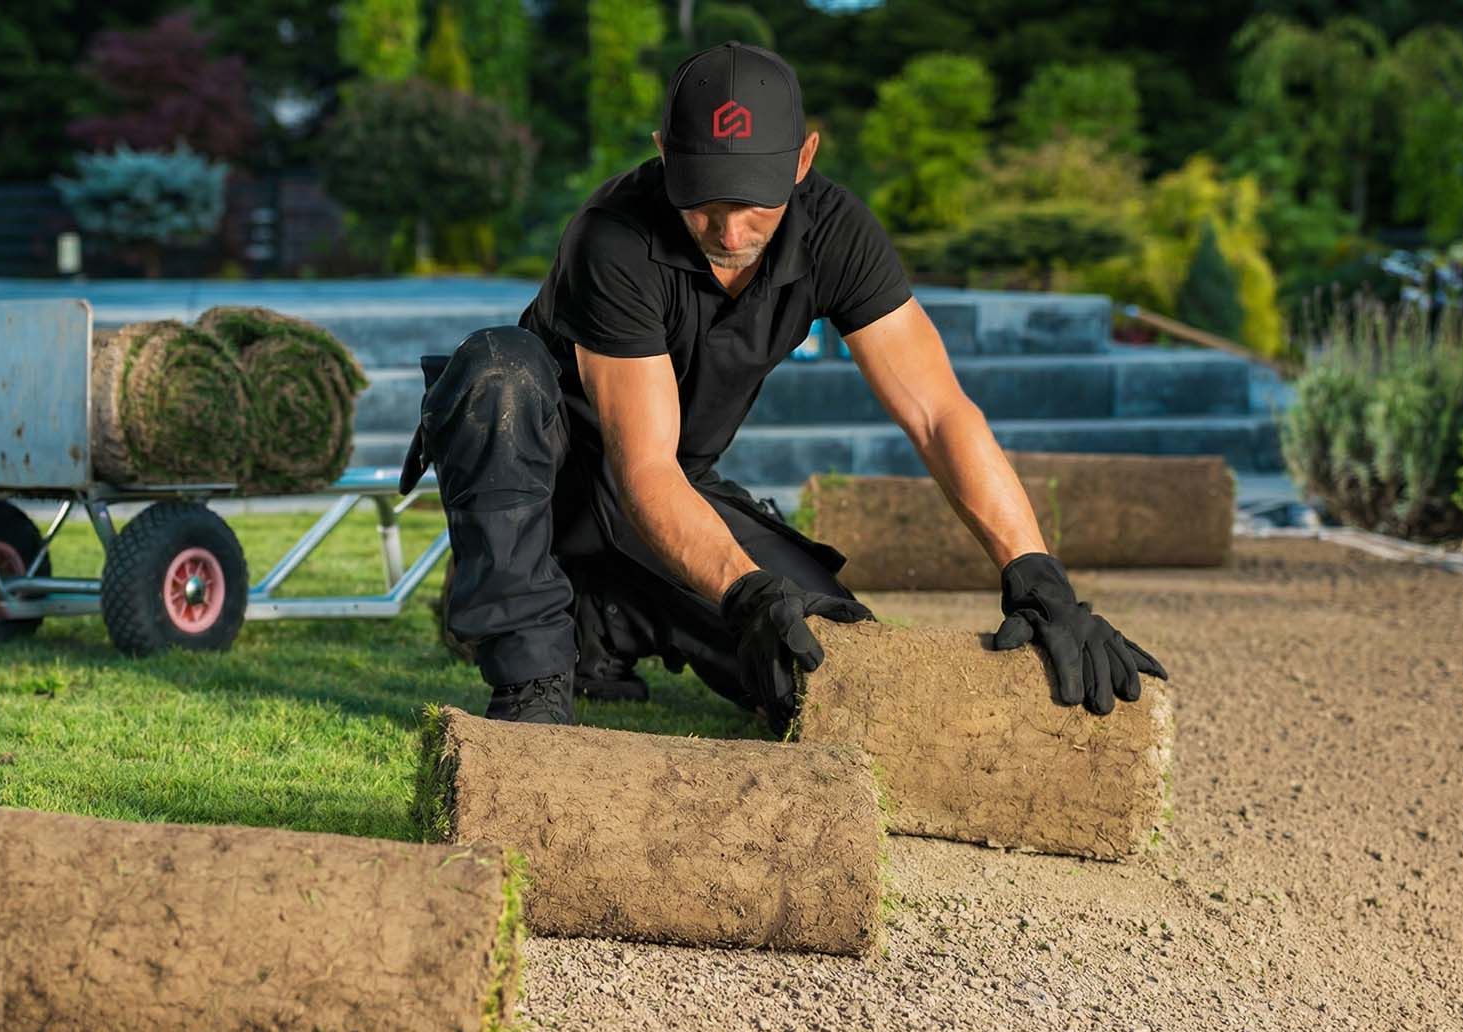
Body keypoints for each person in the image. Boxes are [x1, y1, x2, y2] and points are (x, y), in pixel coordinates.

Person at [399, 40, 1168, 729]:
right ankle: (528, 654)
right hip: (553, 485)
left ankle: (599, 619)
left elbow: (938, 412)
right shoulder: (614, 237)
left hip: (674, 495)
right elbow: (641, 470)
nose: (729, 233)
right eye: (705, 201)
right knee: (498, 369)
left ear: (802, 161)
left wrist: (1034, 572)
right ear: (665, 154)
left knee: (828, 658)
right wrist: (746, 590)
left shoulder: (837, 233)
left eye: (754, 204)